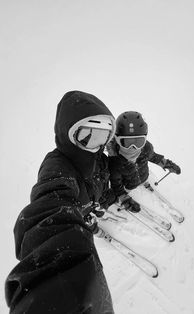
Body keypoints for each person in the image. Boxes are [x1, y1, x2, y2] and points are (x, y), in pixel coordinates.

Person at [5, 91, 117, 314]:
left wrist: (104, 199)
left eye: (102, 138)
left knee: (88, 212)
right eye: (87, 136)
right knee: (77, 216)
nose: (95, 146)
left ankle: (89, 217)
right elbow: (52, 203)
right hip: (71, 211)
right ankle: (86, 221)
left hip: (87, 205)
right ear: (68, 134)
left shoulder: (98, 158)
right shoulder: (57, 165)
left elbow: (100, 182)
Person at [107, 111, 181, 212]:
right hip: (128, 185)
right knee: (126, 188)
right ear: (117, 139)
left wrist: (166, 163)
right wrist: (124, 197)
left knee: (142, 177)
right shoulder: (115, 162)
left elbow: (153, 156)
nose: (133, 147)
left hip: (143, 176)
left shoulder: (146, 148)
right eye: (127, 142)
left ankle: (142, 182)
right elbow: (116, 184)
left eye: (139, 142)